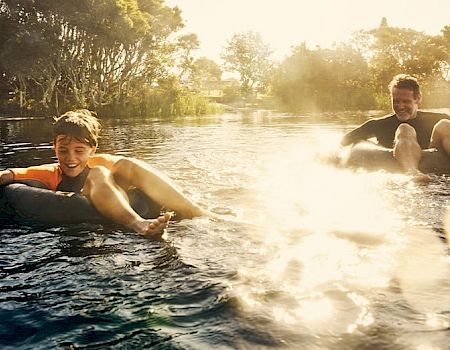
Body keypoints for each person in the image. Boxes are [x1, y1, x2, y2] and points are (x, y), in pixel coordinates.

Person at [0, 109, 209, 236]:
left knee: (121, 165)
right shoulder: (49, 173)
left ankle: (195, 211)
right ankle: (139, 224)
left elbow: (135, 169)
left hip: (114, 196)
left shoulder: (103, 161)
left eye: (79, 151)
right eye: (62, 150)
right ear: (54, 148)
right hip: (80, 213)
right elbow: (9, 174)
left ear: (93, 149)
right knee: (98, 172)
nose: (70, 158)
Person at [341, 74, 450, 180]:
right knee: (405, 129)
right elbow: (343, 142)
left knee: (445, 124)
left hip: (436, 161)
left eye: (406, 101)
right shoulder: (378, 124)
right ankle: (412, 172)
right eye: (396, 101)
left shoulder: (436, 118)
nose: (400, 106)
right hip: (401, 165)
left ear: (418, 99)